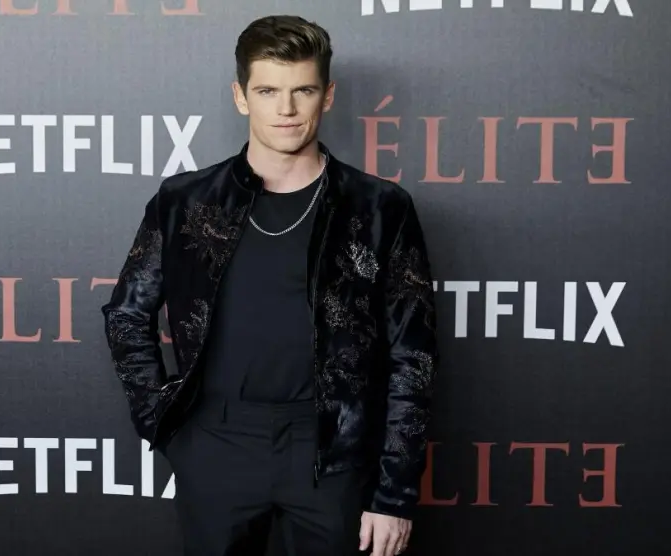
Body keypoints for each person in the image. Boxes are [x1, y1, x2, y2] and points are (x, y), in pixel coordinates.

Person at [101, 14, 439, 556]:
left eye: (303, 90)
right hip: (216, 442)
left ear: (327, 96)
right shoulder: (186, 201)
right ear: (241, 97)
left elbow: (412, 355)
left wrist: (394, 493)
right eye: (267, 91)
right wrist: (161, 419)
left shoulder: (379, 208)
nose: (286, 109)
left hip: (332, 452)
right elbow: (127, 313)